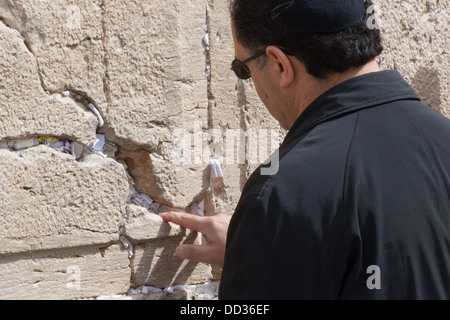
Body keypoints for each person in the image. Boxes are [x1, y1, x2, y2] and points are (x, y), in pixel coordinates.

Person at [160, 0, 450, 299]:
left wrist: (272, 236)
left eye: (242, 69)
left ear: (280, 64)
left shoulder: (281, 193)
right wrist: (262, 249)